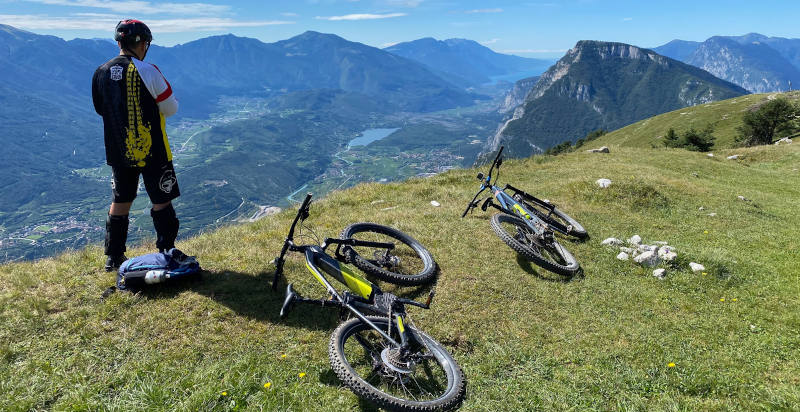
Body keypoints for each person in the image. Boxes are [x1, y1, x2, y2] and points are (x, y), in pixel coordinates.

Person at [92, 19, 181, 271]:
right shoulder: (148, 70)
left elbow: (101, 109)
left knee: (121, 200)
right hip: (153, 148)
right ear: (142, 43)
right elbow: (171, 108)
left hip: (118, 149)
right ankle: (167, 250)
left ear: (119, 42)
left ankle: (114, 256)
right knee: (161, 199)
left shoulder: (100, 72)